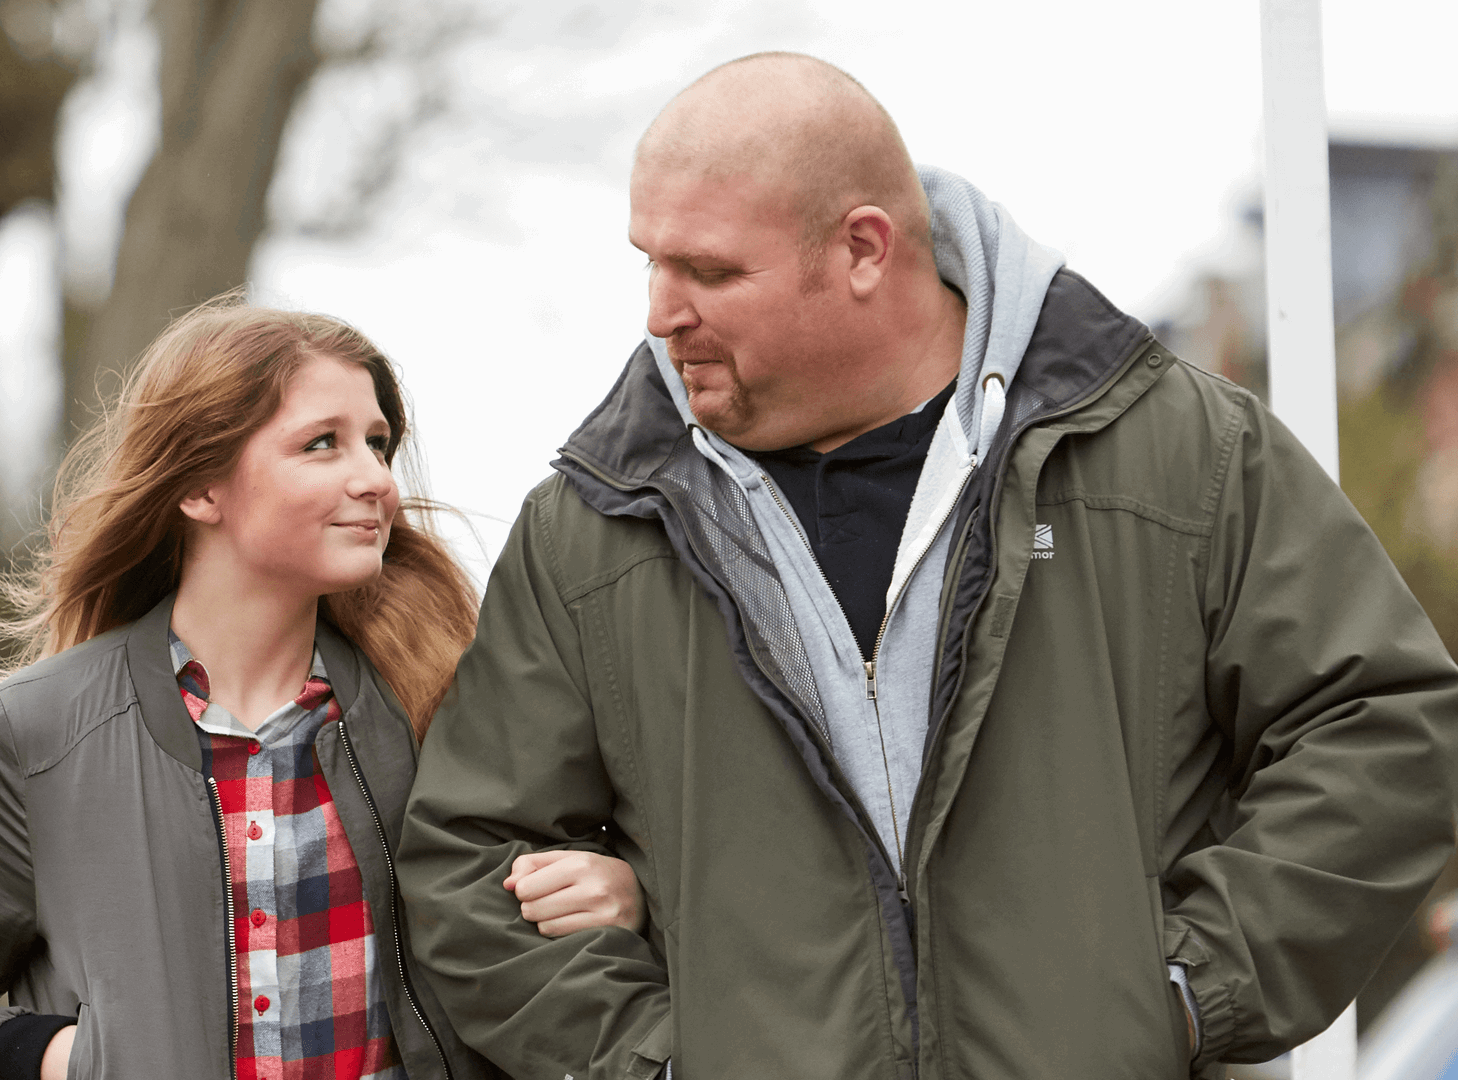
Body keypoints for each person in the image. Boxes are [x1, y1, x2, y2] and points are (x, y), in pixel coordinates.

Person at [396, 52, 1458, 1079]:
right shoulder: (591, 525)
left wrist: (1183, 993)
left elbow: (1385, 723)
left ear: (864, 249)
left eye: (711, 272)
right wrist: (655, 1064)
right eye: (651, 261)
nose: (660, 312)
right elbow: (470, 865)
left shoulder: (1180, 453)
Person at [0, 301, 644, 1080]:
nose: (376, 480)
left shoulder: (443, 703)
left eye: (377, 444)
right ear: (201, 490)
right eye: (322, 444)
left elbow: (573, 907)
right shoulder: (34, 733)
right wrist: (67, 1061)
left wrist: (622, 891)